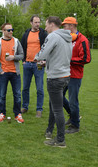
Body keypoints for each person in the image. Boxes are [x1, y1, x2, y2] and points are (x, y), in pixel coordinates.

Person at [35, 16, 72, 148]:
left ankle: (60, 140)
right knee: (54, 106)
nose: (45, 28)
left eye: (46, 25)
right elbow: (59, 55)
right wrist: (48, 62)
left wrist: (37, 58)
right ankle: (50, 131)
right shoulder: (67, 37)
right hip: (65, 75)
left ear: (51, 24)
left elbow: (41, 54)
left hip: (55, 77)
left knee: (57, 109)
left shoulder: (53, 36)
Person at [61, 17, 91, 134]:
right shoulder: (68, 39)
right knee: (59, 96)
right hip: (64, 74)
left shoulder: (82, 40)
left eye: (65, 26)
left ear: (71, 26)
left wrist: (69, 60)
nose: (63, 28)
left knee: (73, 101)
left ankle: (75, 125)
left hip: (75, 75)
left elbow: (86, 59)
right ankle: (73, 115)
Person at [0, 23, 24, 123]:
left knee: (17, 95)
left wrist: (14, 57)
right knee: (2, 95)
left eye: (12, 30)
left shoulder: (16, 41)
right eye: (8, 30)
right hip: (3, 73)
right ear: (3, 31)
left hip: (15, 73)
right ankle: (2, 113)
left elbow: (22, 55)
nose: (11, 32)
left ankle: (17, 114)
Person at [21, 15, 47, 118]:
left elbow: (47, 48)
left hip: (38, 64)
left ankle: (39, 109)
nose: (37, 24)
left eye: (39, 22)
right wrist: (23, 60)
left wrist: (44, 60)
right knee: (25, 88)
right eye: (35, 22)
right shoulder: (26, 34)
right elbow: (22, 47)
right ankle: (25, 107)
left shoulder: (43, 34)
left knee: (39, 88)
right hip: (27, 64)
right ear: (31, 23)